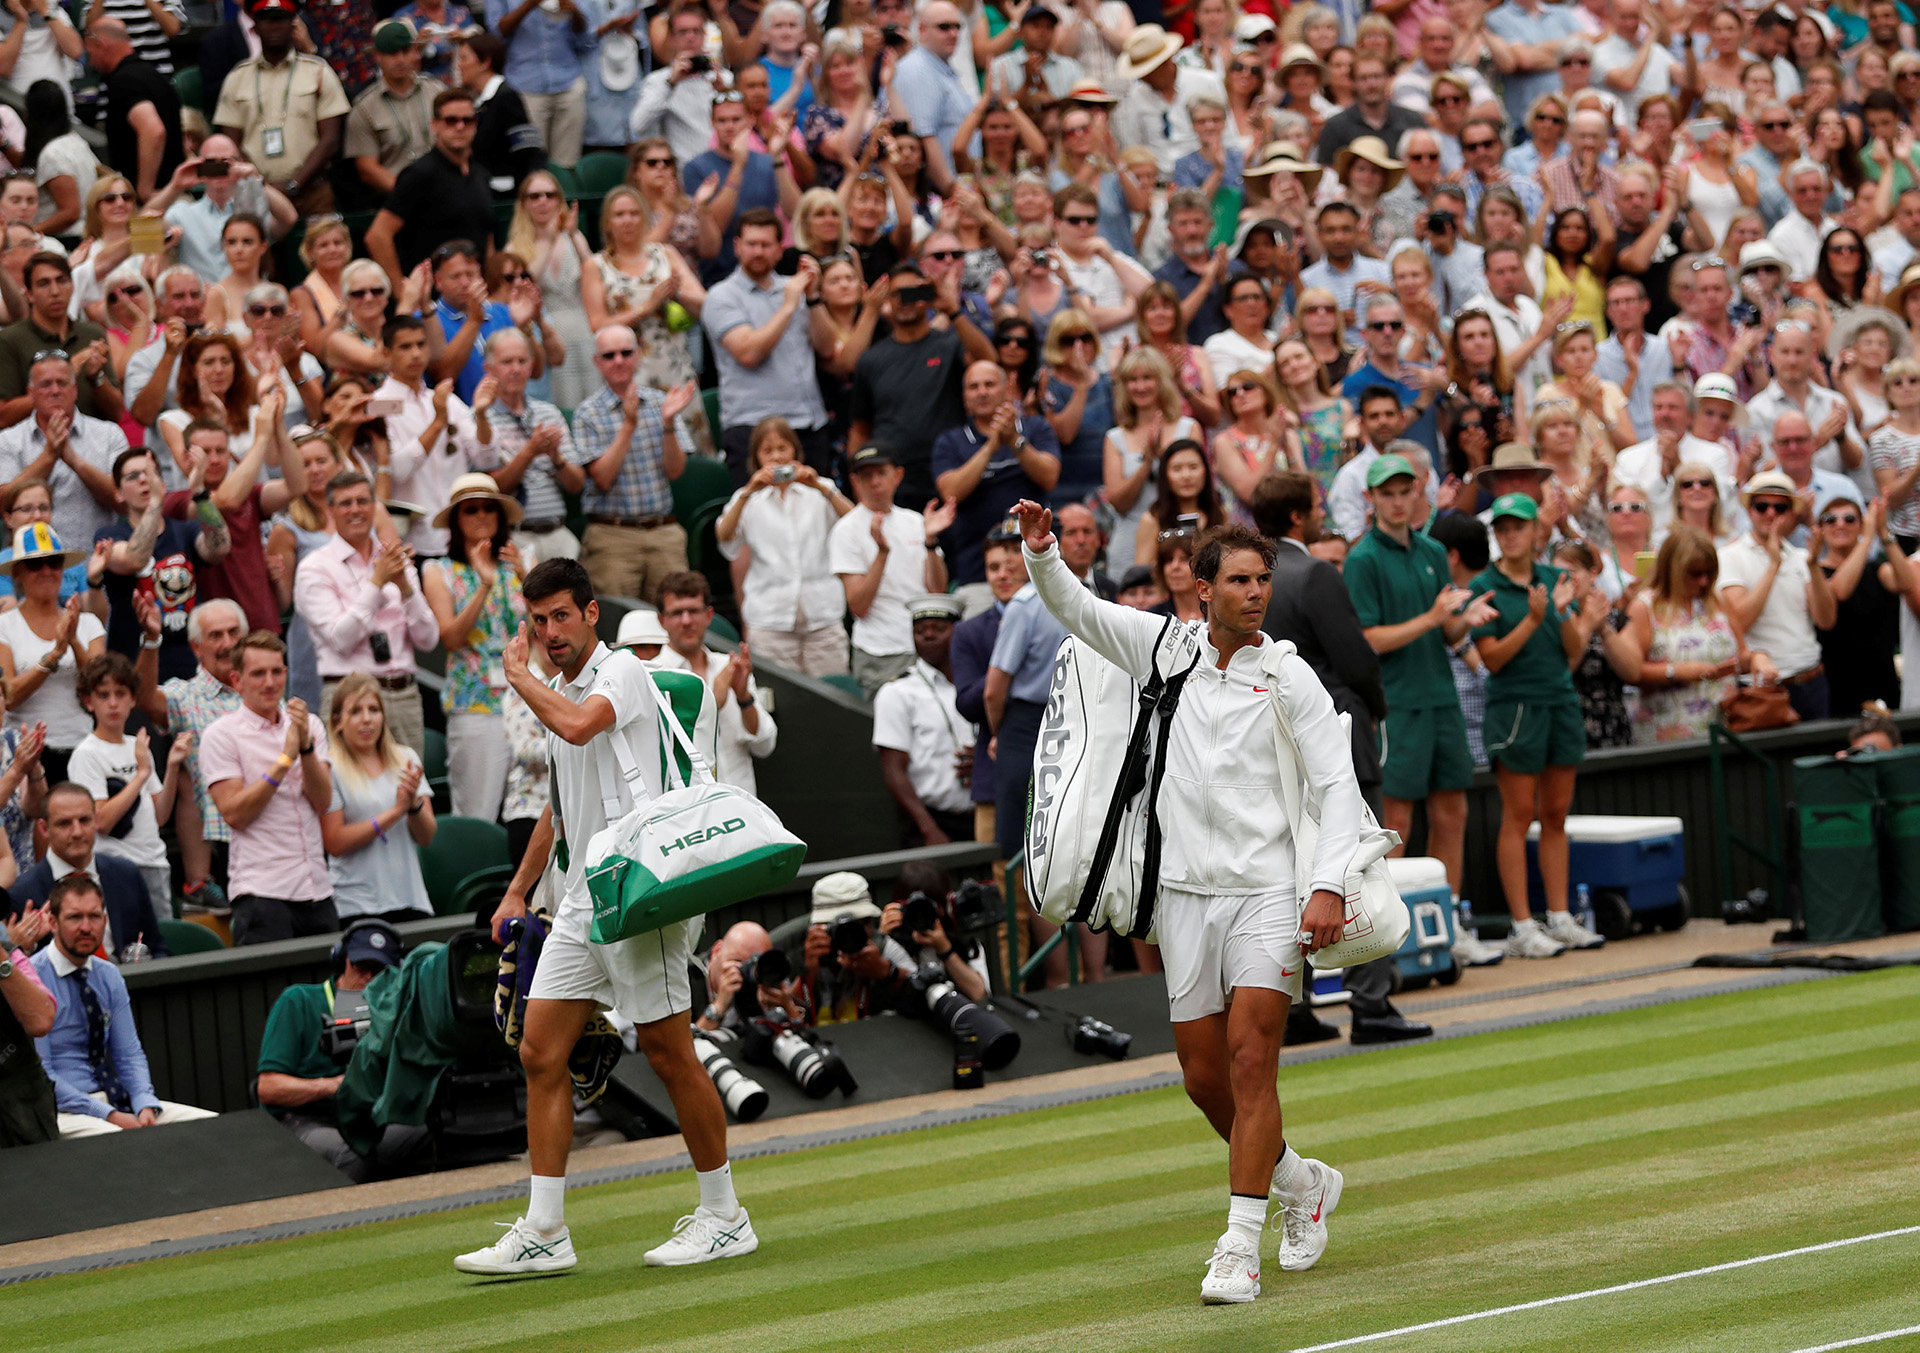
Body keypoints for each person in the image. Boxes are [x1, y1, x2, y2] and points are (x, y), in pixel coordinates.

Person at [1009, 497, 1358, 1299]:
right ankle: (1299, 1182)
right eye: (1239, 579)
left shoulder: (1290, 673)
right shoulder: (1162, 648)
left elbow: (1337, 782)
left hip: (1268, 892)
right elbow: (1077, 608)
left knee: (1249, 1060)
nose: (1256, 592)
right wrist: (1041, 550)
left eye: (1263, 578)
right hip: (1181, 897)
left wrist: (1328, 882)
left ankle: (1238, 1244)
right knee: (1205, 1078)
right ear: (1203, 588)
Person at [461, 556, 747, 1275]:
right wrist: (518, 889)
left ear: (591, 614)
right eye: (538, 619)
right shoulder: (557, 689)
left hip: (636, 890)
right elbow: (560, 810)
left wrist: (519, 676)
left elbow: (586, 727)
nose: (550, 631)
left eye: (561, 615)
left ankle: (724, 1215)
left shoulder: (621, 673)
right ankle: (545, 1229)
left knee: (668, 1049)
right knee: (539, 1048)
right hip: (582, 896)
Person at [1347, 454, 1494, 917]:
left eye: (1403, 491)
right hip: (1398, 704)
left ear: (1417, 494)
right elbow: (1367, 640)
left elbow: (1446, 632)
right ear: (1370, 499)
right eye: (1386, 493)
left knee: (1454, 812)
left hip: (1441, 698)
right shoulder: (1362, 560)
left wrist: (1461, 621)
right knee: (1397, 821)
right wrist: (1434, 618)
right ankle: (1394, 927)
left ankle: (1448, 922)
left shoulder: (1433, 552)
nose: (1396, 502)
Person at [1469, 493, 1605, 957]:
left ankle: (1560, 917)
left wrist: (1564, 612)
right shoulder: (1484, 586)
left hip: (1559, 704)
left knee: (1555, 816)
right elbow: (1493, 660)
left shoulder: (1555, 579)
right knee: (1518, 815)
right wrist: (1532, 619)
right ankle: (1523, 926)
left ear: (1534, 533)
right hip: (1515, 710)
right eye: (1502, 528)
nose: (1510, 535)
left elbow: (1571, 650)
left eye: (1518, 527)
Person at [29, 875, 211, 1136]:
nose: (86, 927)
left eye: (94, 917)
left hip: (114, 1099)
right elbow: (43, 1076)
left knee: (210, 1124)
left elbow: (129, 1054)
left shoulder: (109, 975)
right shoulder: (33, 978)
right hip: (61, 1109)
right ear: (52, 922)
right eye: (74, 917)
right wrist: (111, 1115)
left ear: (105, 921)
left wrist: (144, 1103)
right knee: (119, 1143)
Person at [256, 919, 432, 1181]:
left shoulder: (395, 1011)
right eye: (361, 967)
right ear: (343, 961)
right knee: (349, 1155)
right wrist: (332, 1086)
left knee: (433, 1131)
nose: (369, 978)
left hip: (369, 1118)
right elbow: (268, 1088)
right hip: (305, 1119)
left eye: (379, 970)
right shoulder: (299, 1000)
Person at [199, 632, 334, 945]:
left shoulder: (309, 725)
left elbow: (323, 800)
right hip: (262, 893)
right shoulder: (221, 735)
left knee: (329, 992)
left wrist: (306, 750)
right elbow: (235, 813)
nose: (270, 682)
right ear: (237, 680)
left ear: (286, 673)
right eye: (258, 674)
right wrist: (285, 759)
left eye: (276, 672)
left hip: (317, 887)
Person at [293, 469, 437, 756]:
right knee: (350, 793)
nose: (355, 510)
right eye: (346, 503)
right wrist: (377, 583)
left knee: (410, 790)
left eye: (363, 501)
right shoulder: (314, 567)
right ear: (330, 509)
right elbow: (340, 639)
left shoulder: (396, 561)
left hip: (404, 694)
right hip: (349, 698)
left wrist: (406, 590)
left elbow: (428, 640)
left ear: (375, 506)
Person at [418, 473, 525, 823]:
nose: (481, 516)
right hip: (475, 703)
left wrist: (527, 577)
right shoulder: (439, 570)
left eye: (489, 509)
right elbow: (450, 637)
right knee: (478, 812)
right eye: (470, 510)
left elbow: (542, 634)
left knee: (530, 812)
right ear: (455, 520)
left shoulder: (519, 565)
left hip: (526, 702)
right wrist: (483, 585)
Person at [571, 326, 697, 604]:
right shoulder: (587, 413)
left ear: (638, 355)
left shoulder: (661, 403)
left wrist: (668, 424)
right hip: (612, 536)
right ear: (597, 362)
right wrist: (628, 425)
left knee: (673, 620)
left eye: (626, 353)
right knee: (617, 625)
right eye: (609, 355)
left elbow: (676, 471)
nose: (618, 361)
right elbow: (602, 479)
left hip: (662, 532)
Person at [848, 263, 989, 509]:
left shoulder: (950, 344)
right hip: (894, 479)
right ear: (887, 301)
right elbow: (860, 428)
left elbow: (986, 359)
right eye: (896, 294)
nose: (905, 301)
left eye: (913, 293)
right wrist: (860, 490)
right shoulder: (871, 359)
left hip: (950, 471)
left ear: (925, 296)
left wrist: (952, 310)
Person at [704, 212, 830, 485]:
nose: (758, 251)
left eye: (766, 244)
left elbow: (828, 349)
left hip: (807, 425)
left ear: (779, 250)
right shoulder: (721, 296)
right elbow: (748, 353)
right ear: (737, 246)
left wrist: (814, 298)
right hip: (752, 430)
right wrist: (789, 305)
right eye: (751, 244)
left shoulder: (795, 289)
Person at [68, 652, 188, 919]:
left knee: (160, 947)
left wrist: (171, 766)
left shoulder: (136, 744)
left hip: (154, 862)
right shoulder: (87, 753)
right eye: (103, 695)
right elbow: (101, 821)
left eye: (120, 694)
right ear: (89, 702)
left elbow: (160, 815)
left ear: (133, 699)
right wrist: (141, 775)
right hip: (114, 866)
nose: (113, 703)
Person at [829, 445, 954, 695]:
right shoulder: (846, 530)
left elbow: (937, 590)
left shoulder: (916, 521)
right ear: (854, 481)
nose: (875, 482)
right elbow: (859, 605)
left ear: (897, 475)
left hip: (923, 647)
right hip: (879, 652)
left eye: (881, 473)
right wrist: (882, 553)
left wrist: (930, 542)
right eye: (866, 475)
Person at [1718, 470, 1837, 720]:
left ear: (1791, 513)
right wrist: (1773, 565)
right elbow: (1739, 620)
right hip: (1762, 687)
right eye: (1762, 506)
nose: (1771, 514)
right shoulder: (1729, 556)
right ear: (1749, 511)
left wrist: (1814, 566)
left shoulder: (1802, 558)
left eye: (1780, 508)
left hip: (1811, 679)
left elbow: (1826, 620)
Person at [212, 0, 350, 214]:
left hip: (313, 192)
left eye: (281, 20)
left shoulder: (318, 71)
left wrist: (295, 184)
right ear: (255, 27)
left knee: (325, 245)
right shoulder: (237, 78)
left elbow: (330, 139)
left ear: (293, 25)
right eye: (267, 21)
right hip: (255, 194)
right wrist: (260, 185)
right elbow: (230, 143)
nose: (274, 26)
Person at [932, 361, 1062, 586]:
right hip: (975, 574)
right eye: (974, 387)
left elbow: (1049, 476)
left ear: (1007, 390)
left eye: (989, 384)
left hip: (1037, 575)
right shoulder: (950, 441)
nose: (982, 392)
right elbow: (950, 492)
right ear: (964, 397)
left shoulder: (1036, 427)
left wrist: (1014, 440)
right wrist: (991, 446)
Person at [318, 674, 435, 922]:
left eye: (374, 709)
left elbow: (427, 837)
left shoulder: (406, 758)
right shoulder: (330, 767)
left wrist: (413, 805)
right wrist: (394, 812)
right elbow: (335, 842)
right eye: (356, 712)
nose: (367, 719)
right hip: (357, 905)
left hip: (410, 898)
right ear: (337, 721)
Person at [649, 571, 777, 797]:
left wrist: (743, 697)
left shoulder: (728, 666)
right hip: (689, 811)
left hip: (742, 804)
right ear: (662, 620)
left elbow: (765, 746)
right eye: (677, 613)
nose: (687, 621)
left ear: (708, 615)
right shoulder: (653, 675)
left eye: (694, 611)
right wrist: (713, 698)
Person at [12, 779, 169, 960]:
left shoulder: (126, 875)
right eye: (64, 823)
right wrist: (23, 947)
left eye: (84, 820)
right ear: (44, 829)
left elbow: (157, 948)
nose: (77, 832)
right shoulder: (22, 895)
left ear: (97, 820)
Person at [0, 524, 106, 783]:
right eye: (36, 564)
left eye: (54, 562)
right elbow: (9, 696)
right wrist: (53, 656)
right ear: (17, 573)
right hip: (24, 753)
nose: (47, 571)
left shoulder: (89, 623)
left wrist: (72, 643)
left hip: (83, 748)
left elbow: (101, 686)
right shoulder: (4, 625)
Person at [365, 91, 495, 288]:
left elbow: (487, 239)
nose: (460, 127)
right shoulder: (419, 174)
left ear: (475, 125)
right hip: (432, 302)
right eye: (451, 120)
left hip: (476, 295)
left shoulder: (480, 174)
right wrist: (402, 292)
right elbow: (377, 236)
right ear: (435, 125)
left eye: (467, 120)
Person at [872, 592, 972, 847]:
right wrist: (929, 830)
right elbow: (893, 770)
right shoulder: (897, 692)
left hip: (983, 814)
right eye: (920, 630)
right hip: (931, 823)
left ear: (958, 631)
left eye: (939, 628)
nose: (928, 635)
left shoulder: (979, 683)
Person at [1812, 492, 1914, 717]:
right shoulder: (1814, 571)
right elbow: (1840, 591)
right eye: (1830, 519)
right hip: (1838, 686)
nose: (1840, 524)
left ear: (1861, 525)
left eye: (1849, 519)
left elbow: (1908, 583)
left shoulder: (1878, 569)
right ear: (1820, 529)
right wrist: (1867, 539)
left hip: (1882, 680)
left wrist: (1883, 533)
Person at [0, 254, 120, 432]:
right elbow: (3, 416)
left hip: (91, 441)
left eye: (61, 281)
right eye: (44, 284)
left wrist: (96, 379)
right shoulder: (11, 339)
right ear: (30, 294)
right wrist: (67, 371)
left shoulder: (92, 333)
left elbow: (116, 413)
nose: (55, 291)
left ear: (72, 287)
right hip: (32, 445)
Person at [83, 17, 184, 203]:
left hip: (154, 202)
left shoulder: (124, 82)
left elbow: (153, 131)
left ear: (100, 45)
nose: (91, 63)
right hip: (173, 195)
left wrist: (144, 190)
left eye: (90, 53)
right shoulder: (156, 76)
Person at [484, 0, 594, 170]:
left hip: (568, 81)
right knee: (533, 162)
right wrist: (529, 4)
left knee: (569, 163)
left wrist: (575, 13)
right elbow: (496, 34)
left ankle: (567, 195)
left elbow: (584, 37)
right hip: (526, 86)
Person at [346, 20, 447, 201]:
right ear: (377, 56)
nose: (400, 60)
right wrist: (410, 194)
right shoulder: (364, 107)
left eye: (406, 51)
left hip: (445, 191)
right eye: (392, 53)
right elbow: (367, 169)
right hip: (395, 200)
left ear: (415, 52)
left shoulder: (437, 91)